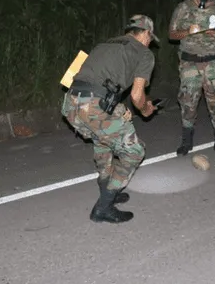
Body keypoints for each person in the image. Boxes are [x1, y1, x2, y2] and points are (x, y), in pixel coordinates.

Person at [61, 14, 159, 224]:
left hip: (70, 103)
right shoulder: (144, 53)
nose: (150, 43)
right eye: (151, 38)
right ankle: (103, 207)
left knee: (102, 139)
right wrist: (145, 110)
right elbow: (137, 96)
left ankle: (108, 188)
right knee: (134, 151)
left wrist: (116, 106)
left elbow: (71, 78)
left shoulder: (102, 44)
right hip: (95, 106)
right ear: (146, 33)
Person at [168, 0, 215, 157]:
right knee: (188, 103)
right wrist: (188, 31)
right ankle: (186, 142)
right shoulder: (183, 8)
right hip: (190, 63)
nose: (206, 1)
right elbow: (172, 35)